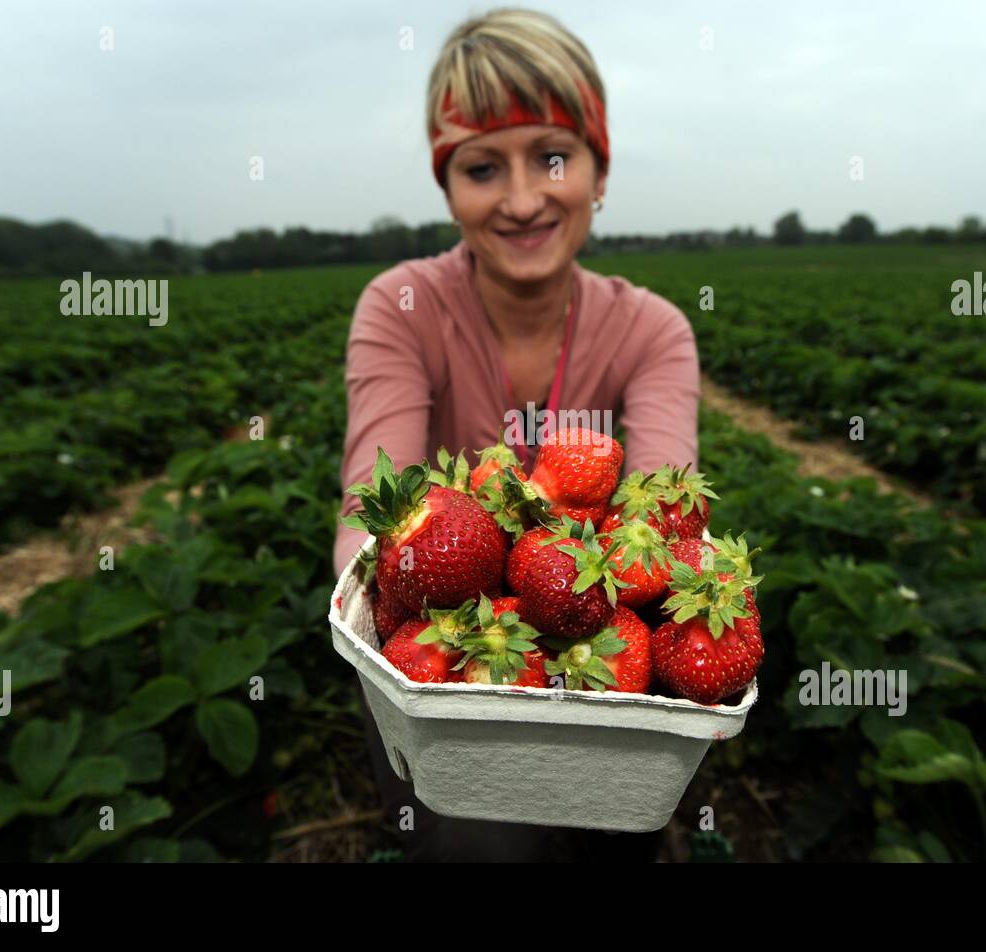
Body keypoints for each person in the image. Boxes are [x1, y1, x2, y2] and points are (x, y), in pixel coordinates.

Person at [333, 7, 701, 862]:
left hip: (600, 651)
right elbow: (370, 516)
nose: (524, 198)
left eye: (553, 156)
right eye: (482, 166)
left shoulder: (653, 331)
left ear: (599, 171)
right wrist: (409, 674)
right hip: (448, 669)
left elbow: (667, 529)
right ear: (448, 184)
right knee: (476, 844)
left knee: (615, 826)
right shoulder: (402, 308)